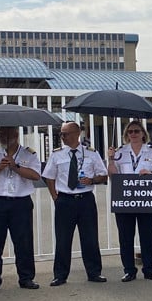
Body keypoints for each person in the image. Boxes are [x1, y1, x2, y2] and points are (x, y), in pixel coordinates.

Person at [0, 127, 42, 293]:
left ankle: (26, 277)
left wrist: (15, 167)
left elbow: (36, 175)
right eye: (1, 134)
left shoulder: (29, 154)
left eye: (7, 134)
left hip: (20, 202)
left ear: (16, 135)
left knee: (23, 241)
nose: (3, 137)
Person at [42, 121, 108, 286]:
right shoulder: (57, 154)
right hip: (65, 200)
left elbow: (103, 175)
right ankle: (60, 275)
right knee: (63, 239)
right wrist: (55, 197)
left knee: (90, 238)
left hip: (85, 199)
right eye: (61, 134)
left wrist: (91, 180)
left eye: (66, 134)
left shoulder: (91, 153)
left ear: (77, 134)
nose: (62, 137)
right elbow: (49, 176)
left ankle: (94, 272)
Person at [108, 120, 152, 282]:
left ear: (143, 133)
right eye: (130, 132)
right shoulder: (120, 152)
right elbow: (113, 176)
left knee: (147, 235)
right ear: (126, 135)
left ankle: (149, 269)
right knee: (126, 236)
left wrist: (151, 174)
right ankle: (129, 270)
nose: (133, 134)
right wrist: (111, 160)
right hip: (125, 199)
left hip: (146, 199)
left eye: (136, 131)